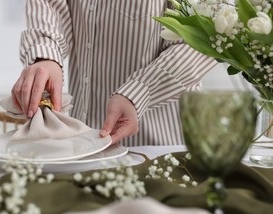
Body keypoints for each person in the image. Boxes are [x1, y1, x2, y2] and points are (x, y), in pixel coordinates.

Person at [11, 0, 216, 146]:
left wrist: (138, 92)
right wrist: (46, 56)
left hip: (161, 147)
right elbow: (50, 5)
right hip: (83, 146)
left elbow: (198, 42)